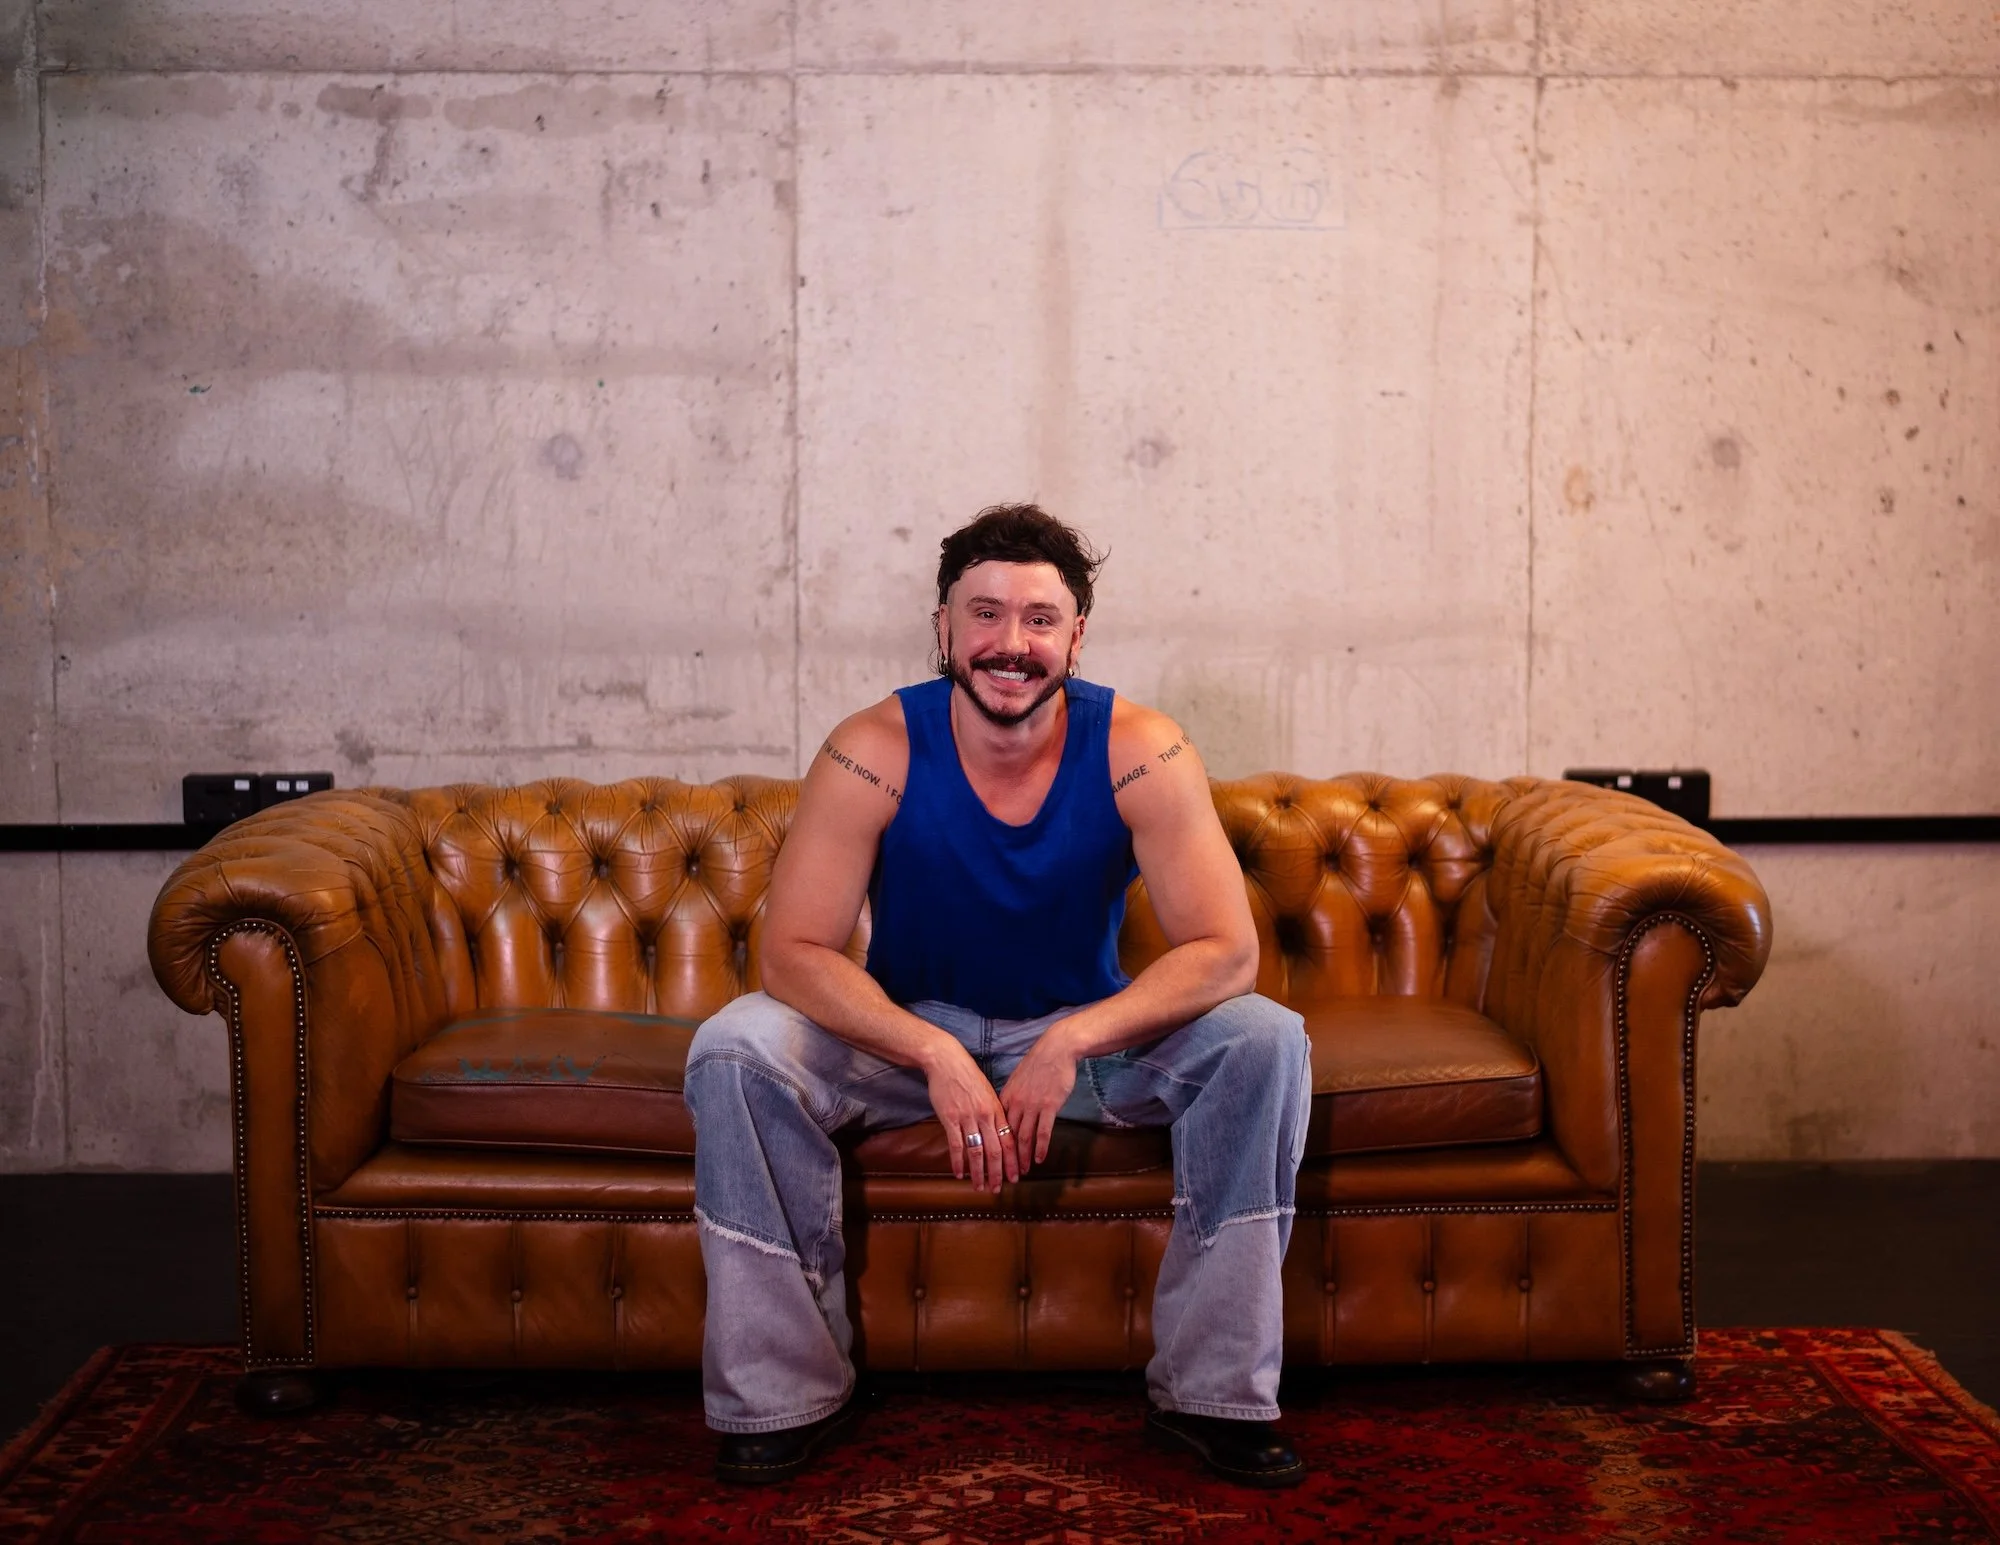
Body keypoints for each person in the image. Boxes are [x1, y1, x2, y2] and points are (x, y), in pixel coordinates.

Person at [684, 503, 1312, 1487]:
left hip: (1088, 1042)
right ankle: (780, 1397)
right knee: (735, 1046)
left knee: (1263, 1040)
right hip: (905, 1036)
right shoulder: (872, 748)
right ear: (942, 628)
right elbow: (795, 953)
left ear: (1074, 637)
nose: (1008, 644)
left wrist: (1067, 1044)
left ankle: (1213, 1395)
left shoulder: (1139, 747)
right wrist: (932, 1055)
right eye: (983, 615)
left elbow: (1225, 953)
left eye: (1036, 619)